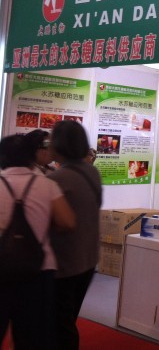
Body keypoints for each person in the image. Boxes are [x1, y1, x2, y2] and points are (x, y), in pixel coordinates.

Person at [0, 134, 75, 350]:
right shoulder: (47, 184)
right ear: (29, 156)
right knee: (32, 337)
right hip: (38, 270)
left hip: (1, 268)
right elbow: (67, 222)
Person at [47, 121, 103, 350]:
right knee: (67, 318)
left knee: (60, 325)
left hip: (65, 263)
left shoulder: (58, 179)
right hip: (87, 259)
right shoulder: (92, 172)